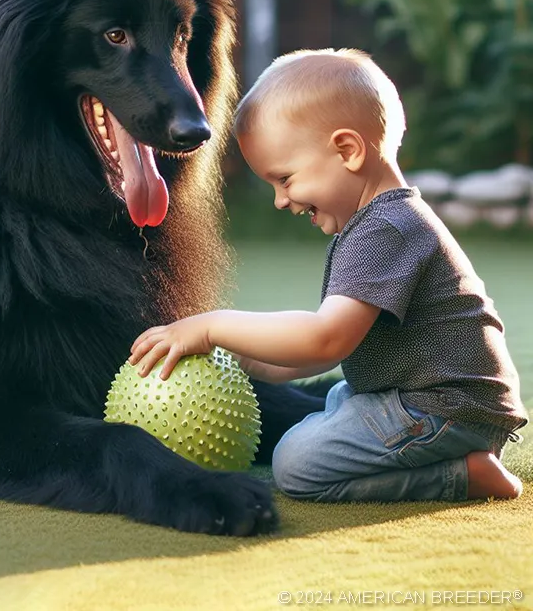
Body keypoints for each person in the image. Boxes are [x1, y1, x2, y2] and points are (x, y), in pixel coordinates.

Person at [129, 48, 527, 503]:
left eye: (285, 179)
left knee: (296, 464)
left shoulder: (385, 229)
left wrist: (211, 325)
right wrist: (245, 359)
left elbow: (325, 339)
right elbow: (327, 352)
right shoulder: (377, 222)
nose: (281, 200)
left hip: (446, 410)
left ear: (347, 151)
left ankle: (462, 475)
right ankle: (455, 459)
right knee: (336, 400)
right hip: (426, 400)